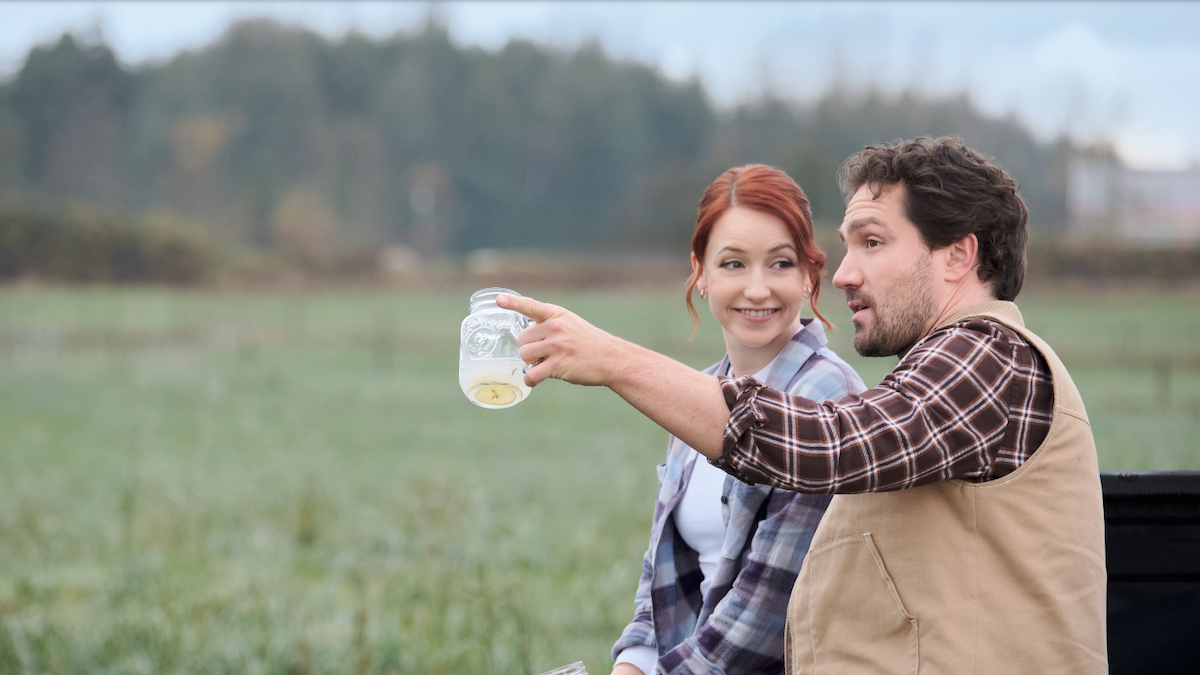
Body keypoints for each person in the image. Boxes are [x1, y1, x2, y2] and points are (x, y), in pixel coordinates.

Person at [500, 137, 1106, 674]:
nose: (842, 275)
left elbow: (828, 444)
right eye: (846, 247)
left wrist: (616, 362)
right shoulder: (937, 378)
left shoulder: (989, 357)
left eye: (872, 242)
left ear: (957, 256)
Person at [610, 165, 866, 675]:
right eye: (732, 264)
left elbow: (768, 614)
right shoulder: (697, 393)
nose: (756, 289)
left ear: (809, 274)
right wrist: (632, 664)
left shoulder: (827, 396)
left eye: (780, 263)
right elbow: (660, 573)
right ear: (700, 273)